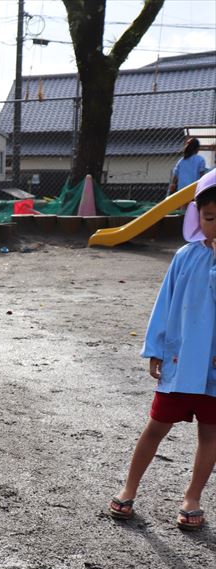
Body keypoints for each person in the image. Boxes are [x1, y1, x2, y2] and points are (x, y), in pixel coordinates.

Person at [110, 168, 216, 531]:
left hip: (213, 371)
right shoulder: (185, 257)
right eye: (210, 217)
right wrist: (155, 348)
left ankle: (192, 497)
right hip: (180, 362)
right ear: (197, 217)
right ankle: (129, 488)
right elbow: (165, 304)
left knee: (210, 433)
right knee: (156, 426)